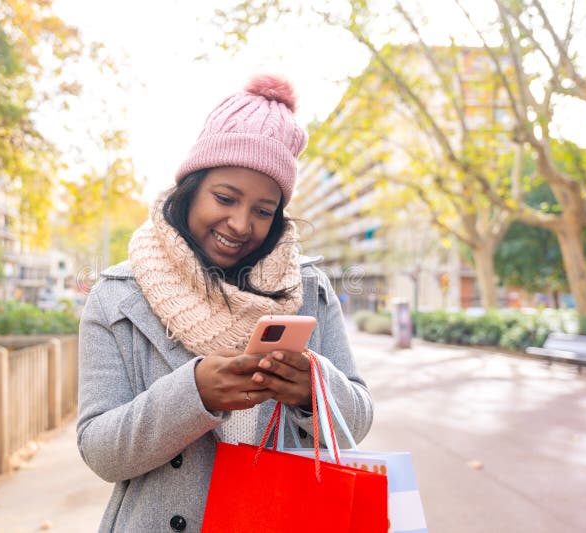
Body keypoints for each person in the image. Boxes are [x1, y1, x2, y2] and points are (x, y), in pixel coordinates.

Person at [77, 74, 374, 532]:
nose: (239, 224)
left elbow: (359, 416)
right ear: (190, 187)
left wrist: (309, 393)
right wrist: (191, 394)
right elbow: (99, 450)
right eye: (225, 197)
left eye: (262, 210)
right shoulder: (118, 297)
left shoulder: (307, 287)